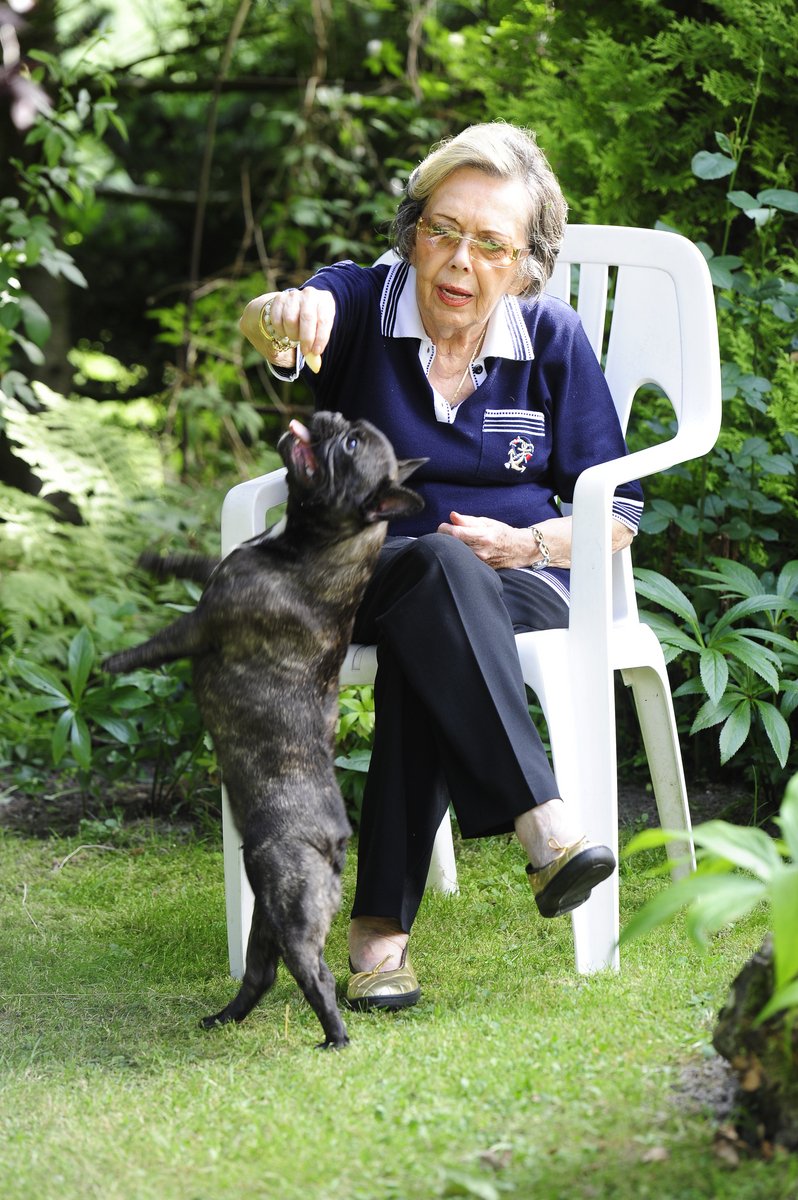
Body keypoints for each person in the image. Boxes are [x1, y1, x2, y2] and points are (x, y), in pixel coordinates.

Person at [239, 123, 643, 1011]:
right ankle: (544, 826)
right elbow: (279, 316)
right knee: (429, 570)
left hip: (520, 580)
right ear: (411, 230)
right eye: (441, 229)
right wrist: (281, 316)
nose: (459, 260)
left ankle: (378, 940)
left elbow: (615, 513)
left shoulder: (553, 340)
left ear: (526, 265)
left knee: (446, 595)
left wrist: (532, 544)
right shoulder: (362, 302)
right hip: (355, 579)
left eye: (491, 243)